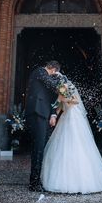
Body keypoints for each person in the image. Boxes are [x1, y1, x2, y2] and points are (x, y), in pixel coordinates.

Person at [40, 75, 102, 194]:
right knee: (63, 143)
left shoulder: (68, 87)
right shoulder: (60, 90)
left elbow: (75, 101)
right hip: (65, 117)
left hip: (74, 117)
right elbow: (59, 106)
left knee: (76, 142)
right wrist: (53, 115)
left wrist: (64, 99)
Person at [25, 60, 62, 192]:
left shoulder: (47, 78)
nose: (53, 76)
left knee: (40, 148)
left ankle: (36, 180)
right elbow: (51, 84)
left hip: (43, 115)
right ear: (52, 69)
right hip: (36, 113)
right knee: (38, 148)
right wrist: (61, 83)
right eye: (54, 73)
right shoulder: (40, 72)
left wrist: (53, 115)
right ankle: (34, 183)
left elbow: (53, 99)